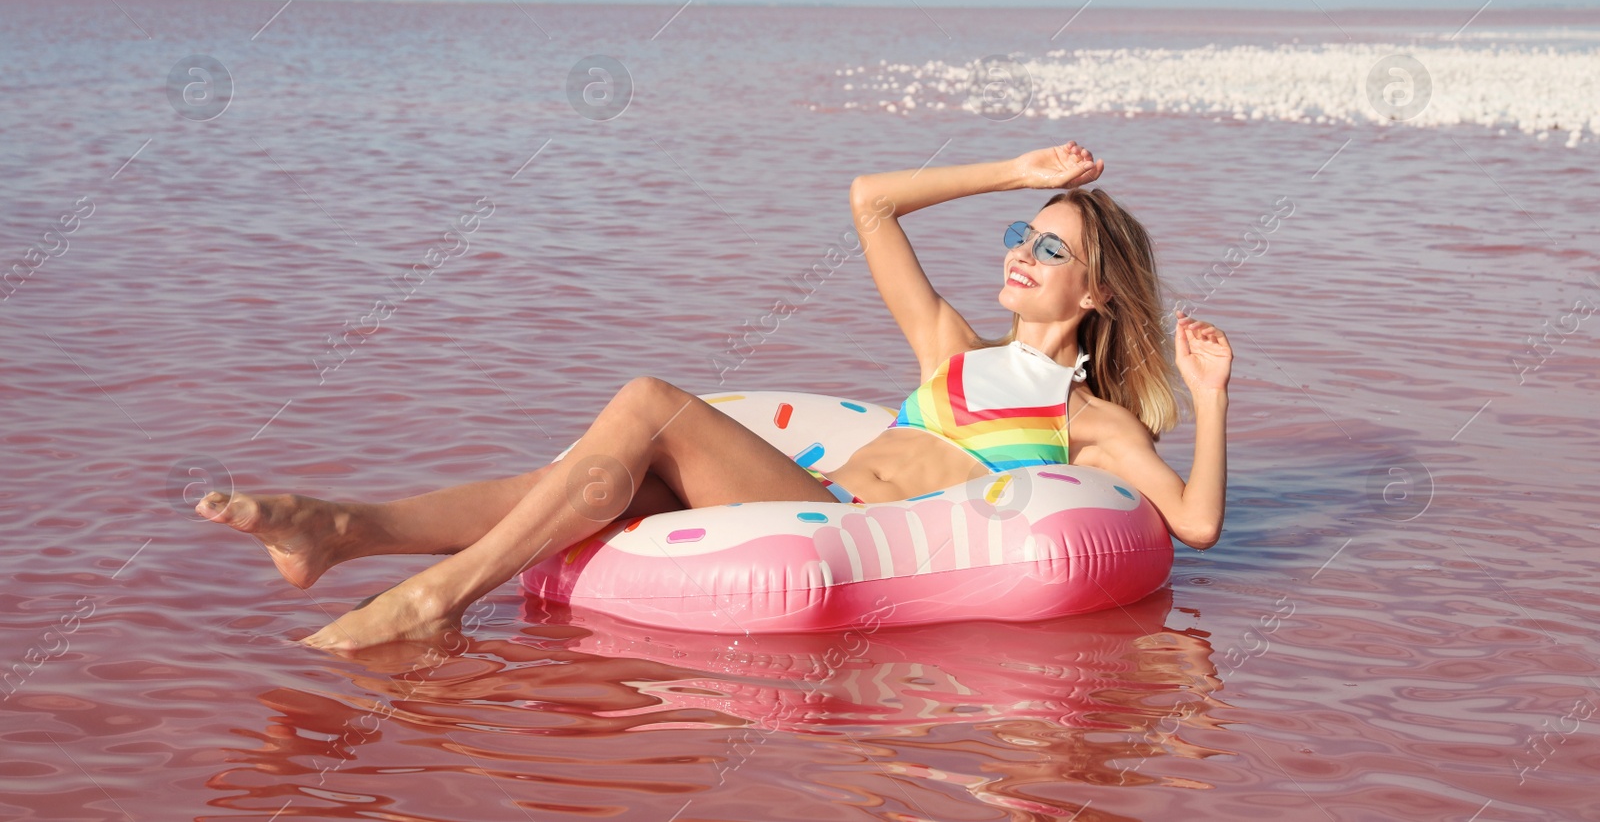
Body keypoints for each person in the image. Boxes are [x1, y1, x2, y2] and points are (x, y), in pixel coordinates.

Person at [198, 141, 1231, 652]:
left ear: (1091, 290)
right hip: (801, 488)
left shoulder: (1081, 418)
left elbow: (1192, 523)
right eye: (1020, 232)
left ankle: (435, 596)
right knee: (581, 480)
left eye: (1049, 247)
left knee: (648, 397)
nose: (1021, 251)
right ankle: (345, 525)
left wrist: (1209, 395)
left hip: (836, 522)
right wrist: (1012, 168)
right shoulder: (948, 350)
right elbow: (868, 199)